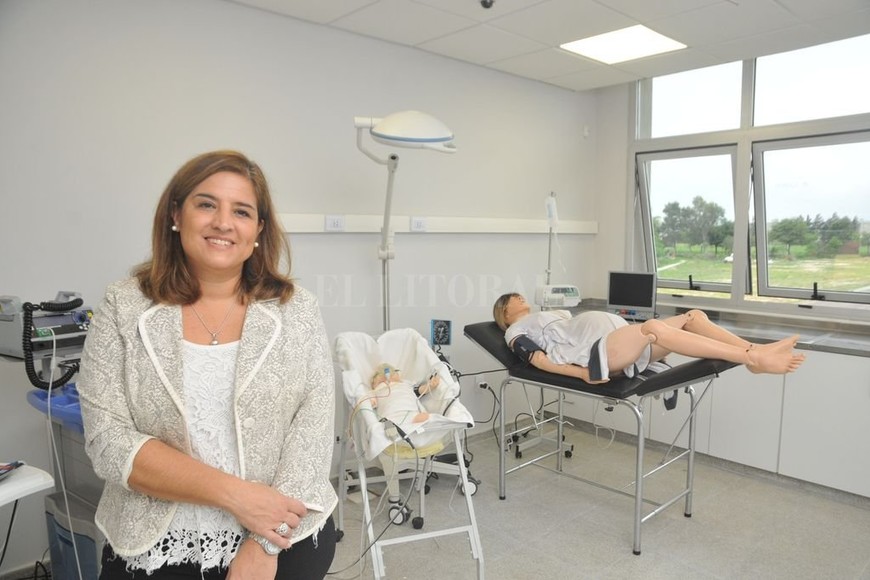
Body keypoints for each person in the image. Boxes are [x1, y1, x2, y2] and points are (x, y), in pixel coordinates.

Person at [78, 150, 336, 580]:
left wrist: (265, 541)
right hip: (153, 543)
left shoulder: (297, 311)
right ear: (176, 215)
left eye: (241, 211)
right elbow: (108, 442)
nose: (223, 222)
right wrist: (239, 497)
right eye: (206, 204)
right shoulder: (123, 306)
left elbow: (312, 433)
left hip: (284, 540)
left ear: (258, 229)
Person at [493, 293, 805, 383]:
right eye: (513, 299)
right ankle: (753, 358)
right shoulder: (514, 331)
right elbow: (538, 360)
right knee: (653, 326)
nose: (521, 298)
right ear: (505, 313)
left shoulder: (552, 314)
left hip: (619, 342)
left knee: (693, 316)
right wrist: (583, 375)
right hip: (596, 355)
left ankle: (754, 353)